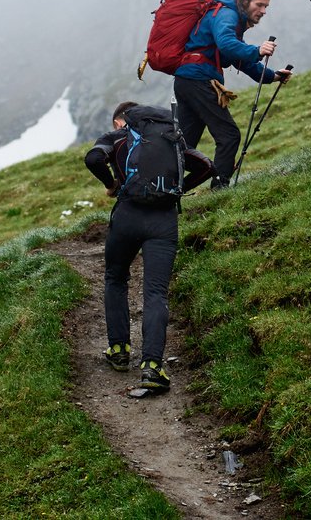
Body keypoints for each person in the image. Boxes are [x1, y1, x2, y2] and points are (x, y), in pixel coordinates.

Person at [86, 102, 215, 395]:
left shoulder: (118, 137)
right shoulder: (170, 136)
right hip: (164, 220)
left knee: (116, 278)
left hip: (128, 216)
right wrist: (179, 189)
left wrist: (112, 184)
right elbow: (207, 166)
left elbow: (93, 159)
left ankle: (118, 350)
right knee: (156, 291)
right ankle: (152, 367)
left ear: (122, 121)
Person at [173, 0, 290, 188]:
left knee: (182, 144)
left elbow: (238, 57)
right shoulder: (228, 14)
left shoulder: (227, 14)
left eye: (266, 7)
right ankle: (220, 188)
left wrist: (273, 76)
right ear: (245, 0)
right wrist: (257, 51)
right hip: (199, 79)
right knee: (229, 135)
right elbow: (227, 44)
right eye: (259, 5)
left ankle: (168, 187)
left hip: (186, 79)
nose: (263, 11)